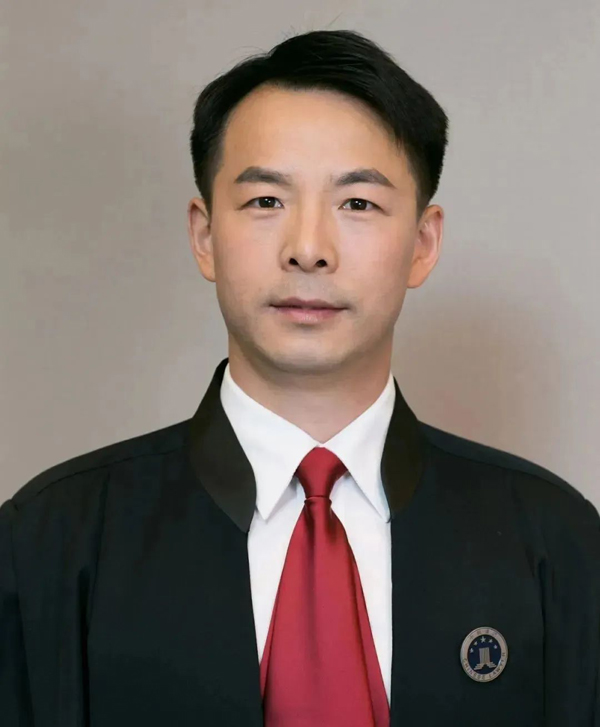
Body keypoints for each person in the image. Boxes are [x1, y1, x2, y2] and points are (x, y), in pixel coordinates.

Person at [1, 28, 599, 727]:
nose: (308, 249)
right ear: (204, 235)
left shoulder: (555, 542)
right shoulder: (48, 544)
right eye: (266, 201)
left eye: (358, 204)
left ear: (423, 242)